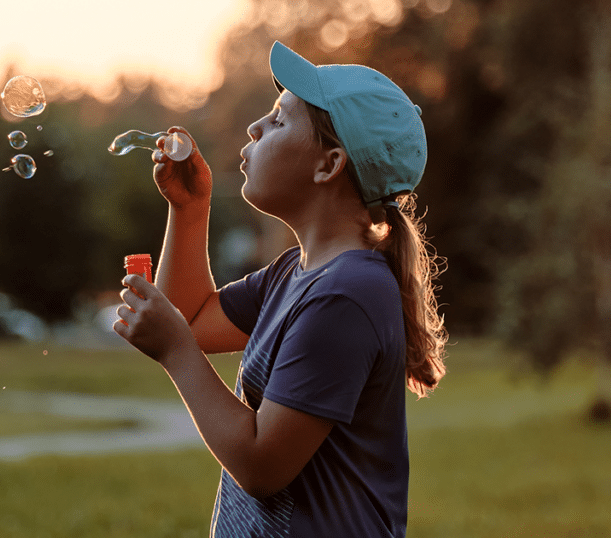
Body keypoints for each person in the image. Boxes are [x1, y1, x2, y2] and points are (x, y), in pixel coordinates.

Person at [112, 40, 448, 537]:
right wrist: (188, 209)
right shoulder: (296, 273)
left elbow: (262, 467)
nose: (255, 127)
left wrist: (176, 352)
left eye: (280, 118)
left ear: (328, 164)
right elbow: (194, 318)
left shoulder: (346, 295)